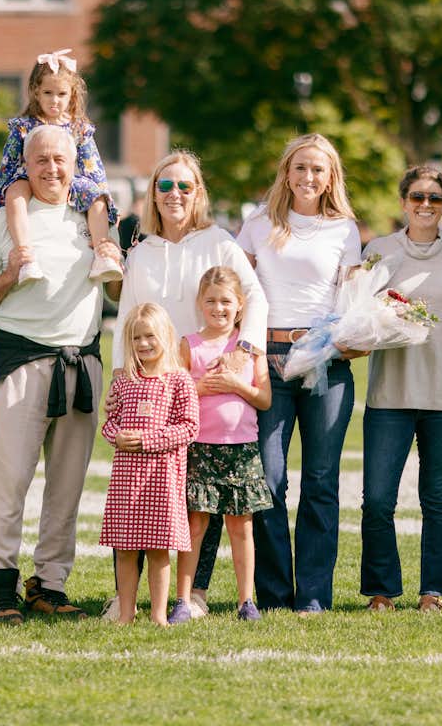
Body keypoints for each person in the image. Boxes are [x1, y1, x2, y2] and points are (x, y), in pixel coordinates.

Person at [104, 149, 269, 620]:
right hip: (150, 384)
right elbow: (126, 316)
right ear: (152, 194)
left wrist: (245, 350)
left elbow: (254, 296)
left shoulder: (217, 241)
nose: (174, 194)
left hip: (202, 382)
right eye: (165, 185)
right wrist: (121, 376)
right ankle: (132, 597)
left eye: (184, 186)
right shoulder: (142, 251)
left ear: (198, 193)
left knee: (198, 493)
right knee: (144, 489)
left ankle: (193, 591)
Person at [0, 124, 122, 624]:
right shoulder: (4, 222)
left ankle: (50, 583)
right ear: (26, 165)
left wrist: (122, 257)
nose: (52, 169)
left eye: (61, 159)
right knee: (9, 482)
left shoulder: (94, 219)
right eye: (41, 160)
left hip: (82, 361)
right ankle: (2, 585)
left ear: (75, 163)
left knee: (66, 487)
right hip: (21, 362)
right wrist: (11, 274)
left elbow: (118, 293)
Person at [237, 133, 362, 614]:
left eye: (318, 169)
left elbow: (350, 298)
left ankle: (312, 594)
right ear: (286, 173)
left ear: (330, 177)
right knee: (267, 479)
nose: (309, 177)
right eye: (301, 168)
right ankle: (271, 593)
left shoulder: (344, 229)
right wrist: (248, 351)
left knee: (321, 481)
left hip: (326, 362)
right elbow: (239, 295)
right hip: (267, 360)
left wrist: (353, 338)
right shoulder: (258, 224)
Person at [359, 167, 442, 613]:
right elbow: (357, 309)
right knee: (376, 500)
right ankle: (381, 590)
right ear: (403, 200)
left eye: (435, 197)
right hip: (389, 394)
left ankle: (433, 591)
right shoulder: (378, 252)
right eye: (417, 196)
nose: (425, 204)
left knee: (437, 499)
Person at [168, 267, 272, 624]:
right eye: (211, 301)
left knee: (241, 526)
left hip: (241, 448)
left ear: (240, 305)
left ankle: (247, 601)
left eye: (226, 301)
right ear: (200, 304)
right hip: (201, 448)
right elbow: (175, 395)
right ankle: (182, 598)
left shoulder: (249, 348)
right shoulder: (190, 345)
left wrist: (235, 384)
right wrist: (200, 388)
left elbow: (264, 398)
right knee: (195, 525)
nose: (219, 308)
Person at [100, 303, 200, 625]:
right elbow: (109, 423)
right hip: (126, 481)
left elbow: (189, 426)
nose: (143, 344)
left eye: (150, 336)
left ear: (165, 336)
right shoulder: (124, 381)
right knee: (125, 550)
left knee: (159, 550)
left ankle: (158, 615)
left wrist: (149, 441)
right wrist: (117, 437)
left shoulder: (179, 381)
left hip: (162, 480)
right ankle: (126, 613)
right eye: (136, 338)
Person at [0, 48, 121, 284]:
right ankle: (25, 254)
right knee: (15, 191)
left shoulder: (79, 128)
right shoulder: (23, 126)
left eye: (61, 94)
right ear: (35, 92)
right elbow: (8, 163)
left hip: (69, 181)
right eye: (48, 93)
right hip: (30, 178)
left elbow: (94, 167)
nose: (54, 100)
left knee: (96, 195)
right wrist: (2, 194)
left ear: (72, 95)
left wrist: (105, 197)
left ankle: (103, 253)